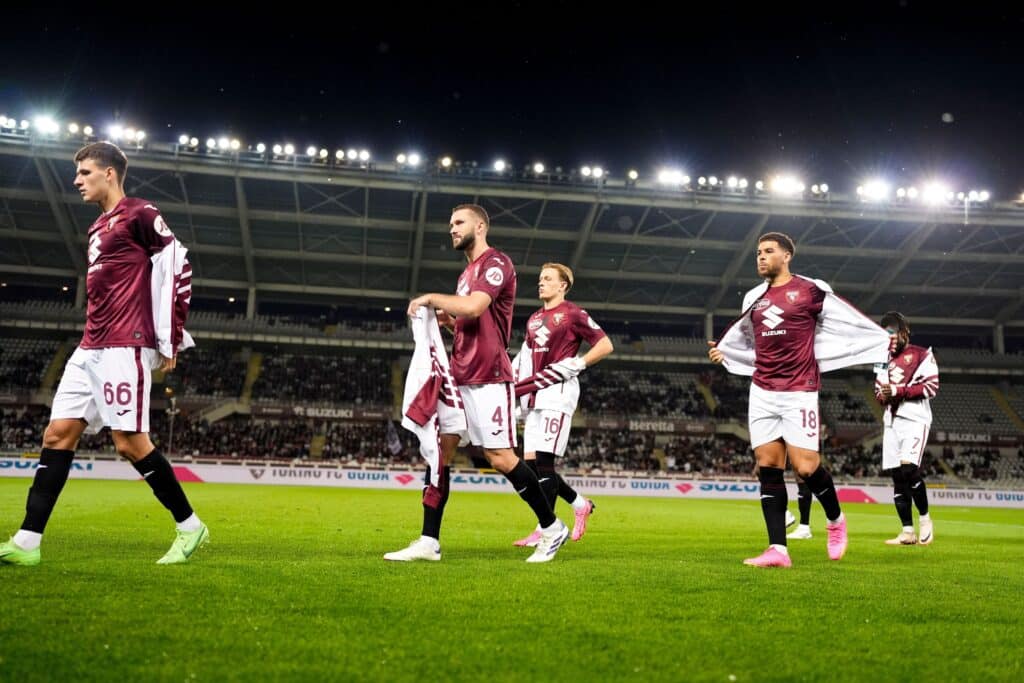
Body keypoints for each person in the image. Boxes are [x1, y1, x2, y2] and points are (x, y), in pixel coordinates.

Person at [0, 142, 204, 566]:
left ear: (109, 174)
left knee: (129, 444)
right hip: (89, 346)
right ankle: (27, 541)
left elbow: (178, 263)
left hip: (123, 345)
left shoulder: (140, 213)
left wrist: (170, 333)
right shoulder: (96, 228)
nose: (76, 181)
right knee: (57, 435)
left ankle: (190, 527)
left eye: (85, 173)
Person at [390, 204, 568, 563]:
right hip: (459, 376)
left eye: (459, 223)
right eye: (450, 223)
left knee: (500, 458)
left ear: (480, 226)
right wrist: (446, 321)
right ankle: (429, 540)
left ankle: (552, 528)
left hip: (489, 376)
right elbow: (469, 321)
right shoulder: (466, 274)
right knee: (440, 451)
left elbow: (474, 308)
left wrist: (431, 299)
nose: (452, 229)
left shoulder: (496, 263)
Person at [708, 232, 888, 568]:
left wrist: (881, 340)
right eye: (758, 252)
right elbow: (747, 341)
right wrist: (728, 353)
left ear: (787, 255)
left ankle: (835, 520)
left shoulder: (811, 290)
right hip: (762, 389)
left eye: (769, 252)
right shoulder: (752, 298)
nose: (761, 257)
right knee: (768, 466)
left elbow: (847, 320)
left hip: (799, 389)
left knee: (805, 466)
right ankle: (778, 550)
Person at [510, 262, 614, 547]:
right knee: (532, 466)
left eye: (547, 279)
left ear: (562, 285)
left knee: (544, 462)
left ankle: (546, 528)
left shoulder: (573, 313)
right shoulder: (533, 320)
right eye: (540, 278)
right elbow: (525, 358)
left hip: (558, 392)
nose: (541, 283)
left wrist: (578, 363)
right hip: (535, 395)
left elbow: (605, 345)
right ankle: (580, 504)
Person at [875, 311, 938, 546]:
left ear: (904, 333)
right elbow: (878, 391)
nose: (889, 338)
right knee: (898, 476)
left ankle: (925, 521)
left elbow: (931, 387)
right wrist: (883, 394)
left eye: (892, 333)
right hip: (891, 422)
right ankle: (907, 531)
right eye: (886, 334)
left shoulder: (922, 355)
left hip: (915, 419)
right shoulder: (881, 360)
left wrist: (898, 391)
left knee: (910, 469)